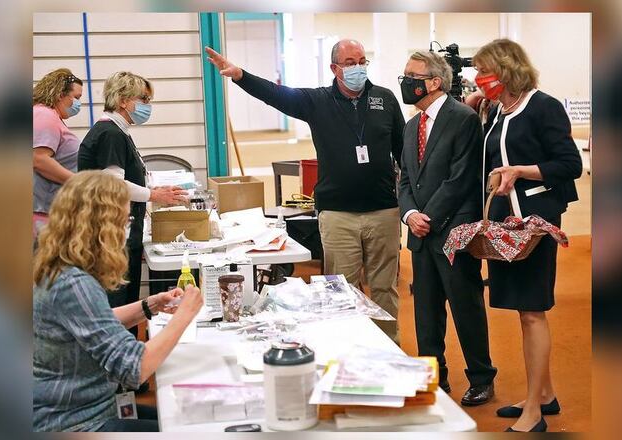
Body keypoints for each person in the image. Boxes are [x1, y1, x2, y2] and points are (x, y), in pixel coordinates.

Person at [205, 40, 405, 342]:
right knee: (342, 289)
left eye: (362, 60)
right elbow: (276, 95)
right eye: (350, 62)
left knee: (384, 289)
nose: (358, 67)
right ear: (334, 68)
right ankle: (349, 348)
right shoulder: (318, 101)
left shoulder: (385, 99)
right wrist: (240, 76)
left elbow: (403, 153)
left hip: (383, 212)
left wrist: (410, 201)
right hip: (338, 215)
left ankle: (389, 347)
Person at [33, 171, 204, 432]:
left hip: (72, 412)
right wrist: (185, 315)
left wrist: (149, 305)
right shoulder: (74, 284)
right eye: (124, 220)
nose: (126, 227)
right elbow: (135, 368)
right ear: (102, 226)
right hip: (76, 423)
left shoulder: (53, 268)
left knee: (180, 417)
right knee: (192, 426)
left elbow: (94, 322)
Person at [472, 39, 582, 432]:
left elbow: (570, 164)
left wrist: (521, 170)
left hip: (535, 223)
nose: (478, 79)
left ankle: (534, 412)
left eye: (483, 71)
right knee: (523, 311)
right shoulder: (498, 111)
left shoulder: (543, 106)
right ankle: (544, 395)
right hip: (506, 222)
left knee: (533, 311)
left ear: (504, 69)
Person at [397, 51, 497, 406]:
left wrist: (429, 217)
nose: (405, 81)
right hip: (421, 234)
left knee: (465, 307)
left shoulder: (463, 119)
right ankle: (434, 375)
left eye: (411, 75)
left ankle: (482, 377)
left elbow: (461, 178)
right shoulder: (411, 126)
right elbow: (405, 179)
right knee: (425, 311)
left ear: (434, 81)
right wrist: (410, 215)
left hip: (454, 232)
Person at [78, 72, 187, 312]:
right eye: (143, 100)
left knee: (126, 302)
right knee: (119, 305)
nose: (147, 106)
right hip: (112, 235)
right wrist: (153, 195)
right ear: (123, 101)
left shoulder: (119, 132)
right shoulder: (110, 135)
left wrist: (151, 190)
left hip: (119, 232)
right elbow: (114, 185)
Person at [32, 68, 83, 237]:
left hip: (50, 211)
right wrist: (79, 182)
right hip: (41, 213)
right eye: (76, 98)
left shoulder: (51, 116)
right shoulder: (45, 115)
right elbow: (39, 159)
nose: (78, 104)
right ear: (60, 94)